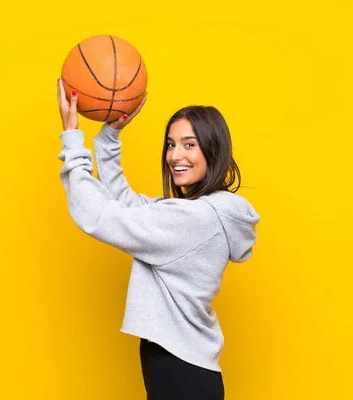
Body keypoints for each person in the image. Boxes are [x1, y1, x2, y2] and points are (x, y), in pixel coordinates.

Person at [56, 79, 260, 400]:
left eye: (189, 144)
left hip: (182, 376)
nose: (175, 154)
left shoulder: (196, 219)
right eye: (170, 144)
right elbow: (126, 204)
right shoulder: (196, 213)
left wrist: (71, 140)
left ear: (213, 150)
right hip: (181, 371)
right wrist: (110, 136)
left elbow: (102, 216)